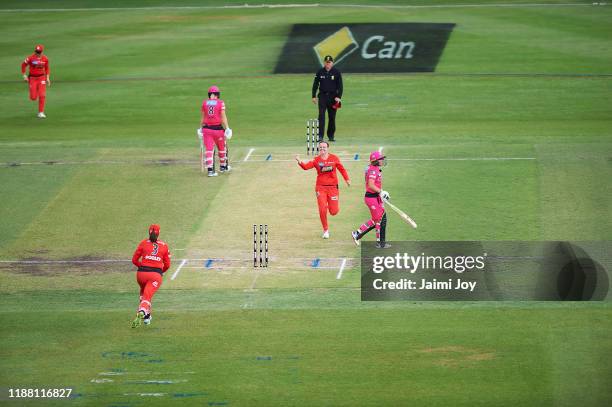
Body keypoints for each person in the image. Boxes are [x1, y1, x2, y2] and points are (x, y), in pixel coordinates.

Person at [295, 141, 350, 238]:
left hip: (333, 188)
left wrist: (347, 179)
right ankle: (326, 230)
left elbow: (342, 169)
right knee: (322, 208)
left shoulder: (334, 158)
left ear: (328, 148)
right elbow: (306, 167)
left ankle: (329, 205)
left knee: (334, 212)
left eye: (324, 147)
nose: (322, 149)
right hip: (320, 188)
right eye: (320, 147)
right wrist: (299, 161)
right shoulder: (316, 160)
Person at [131, 224, 171, 328]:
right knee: (147, 296)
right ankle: (142, 312)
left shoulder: (143, 243)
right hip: (154, 275)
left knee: (144, 293)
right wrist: (160, 271)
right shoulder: (164, 245)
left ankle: (147, 317)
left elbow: (134, 260)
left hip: (141, 274)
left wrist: (143, 266)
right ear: (159, 233)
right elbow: (167, 265)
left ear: (148, 232)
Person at [351, 151, 391, 249]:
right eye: (381, 159)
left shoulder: (375, 168)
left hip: (376, 197)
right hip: (372, 198)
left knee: (379, 219)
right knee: (380, 219)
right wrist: (381, 192)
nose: (382, 160)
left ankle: (378, 242)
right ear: (376, 161)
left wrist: (381, 193)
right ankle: (359, 235)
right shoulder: (373, 170)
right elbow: (371, 185)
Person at [200, 85, 233, 177]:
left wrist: (200, 128)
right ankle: (223, 167)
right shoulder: (220, 103)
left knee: (209, 150)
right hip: (218, 130)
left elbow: (203, 117)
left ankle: (210, 171)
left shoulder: (204, 103)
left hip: (206, 129)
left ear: (209, 94)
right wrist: (227, 128)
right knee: (222, 148)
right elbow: (223, 117)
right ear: (217, 94)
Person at [311, 55, 342, 142]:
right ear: (324, 62)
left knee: (332, 117)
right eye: (326, 62)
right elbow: (315, 84)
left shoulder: (336, 72)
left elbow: (340, 86)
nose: (327, 64)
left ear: (332, 63)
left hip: (333, 98)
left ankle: (331, 136)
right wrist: (313, 96)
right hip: (322, 96)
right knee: (321, 116)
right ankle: (320, 136)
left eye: (329, 62)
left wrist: (339, 97)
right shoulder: (320, 72)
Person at [21, 44, 50, 118]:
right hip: (32, 78)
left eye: (39, 52)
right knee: (33, 97)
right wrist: (24, 75)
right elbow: (23, 65)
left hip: (41, 78)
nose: (38, 53)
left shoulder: (45, 59)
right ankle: (35, 89)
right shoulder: (30, 58)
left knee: (42, 95)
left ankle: (41, 112)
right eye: (37, 51)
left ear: (42, 52)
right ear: (35, 51)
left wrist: (47, 78)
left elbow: (47, 68)